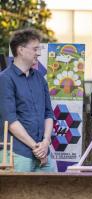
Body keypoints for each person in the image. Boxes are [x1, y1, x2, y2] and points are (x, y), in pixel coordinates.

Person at [0, 28, 55, 172]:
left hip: (44, 153)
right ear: (21, 50)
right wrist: (36, 147)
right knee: (17, 195)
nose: (39, 53)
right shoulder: (5, 79)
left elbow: (48, 114)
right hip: (18, 154)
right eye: (35, 48)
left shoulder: (39, 79)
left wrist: (46, 142)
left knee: (55, 193)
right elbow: (10, 121)